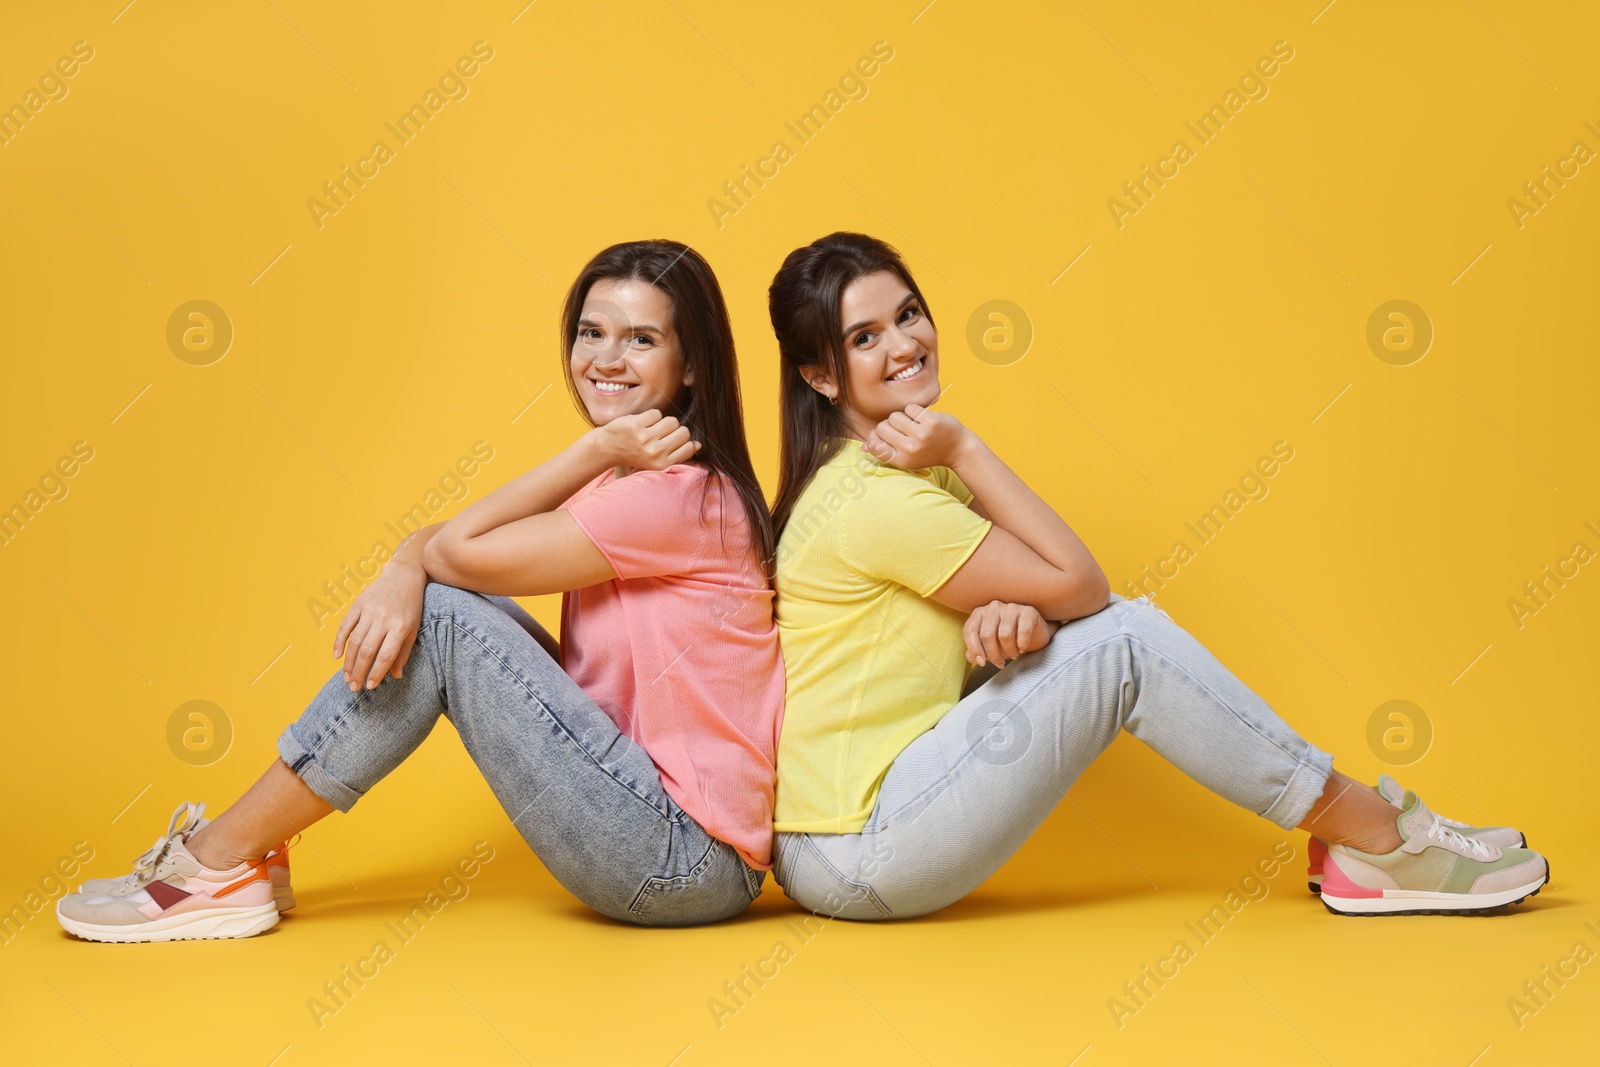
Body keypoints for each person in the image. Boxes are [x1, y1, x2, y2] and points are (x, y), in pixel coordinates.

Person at [762, 231, 1547, 919]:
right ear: (821, 376)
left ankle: (1362, 846)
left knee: (1104, 634)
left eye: (907, 313)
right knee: (1125, 642)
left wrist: (1021, 620)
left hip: (864, 823)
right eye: (863, 337)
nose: (903, 343)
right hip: (857, 845)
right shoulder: (877, 497)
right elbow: (1082, 585)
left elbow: (1047, 599)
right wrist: (967, 448)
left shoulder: (901, 475)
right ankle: (1375, 835)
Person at [57, 239, 785, 942]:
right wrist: (410, 563)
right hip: (663, 832)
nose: (605, 358)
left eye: (641, 339)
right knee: (464, 605)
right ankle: (250, 854)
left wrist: (585, 449)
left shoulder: (673, 498)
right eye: (591, 331)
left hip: (682, 860)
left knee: (443, 617)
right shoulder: (639, 486)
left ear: (691, 365)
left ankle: (217, 860)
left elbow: (454, 550)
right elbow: (458, 553)